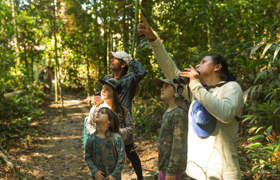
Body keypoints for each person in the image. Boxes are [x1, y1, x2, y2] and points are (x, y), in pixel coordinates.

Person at [138, 15, 244, 180]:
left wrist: (194, 83)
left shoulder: (231, 87)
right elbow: (171, 70)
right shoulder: (196, 90)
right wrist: (153, 40)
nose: (198, 65)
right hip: (196, 172)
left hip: (223, 173)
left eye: (203, 62)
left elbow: (225, 114)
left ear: (217, 67)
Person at [86, 78, 143, 180]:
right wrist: (96, 134)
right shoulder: (96, 109)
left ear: (115, 93)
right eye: (102, 88)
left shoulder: (122, 110)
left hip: (121, 143)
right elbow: (89, 124)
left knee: (130, 159)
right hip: (100, 145)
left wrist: (121, 132)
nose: (103, 91)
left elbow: (131, 127)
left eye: (107, 89)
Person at [154, 78, 188, 180]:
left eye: (166, 86)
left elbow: (178, 144)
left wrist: (172, 170)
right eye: (162, 87)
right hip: (164, 166)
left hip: (173, 170)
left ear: (176, 91)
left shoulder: (178, 113)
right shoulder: (168, 112)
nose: (162, 89)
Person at [85, 107, 125, 180]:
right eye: (98, 112)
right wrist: (95, 171)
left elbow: (121, 159)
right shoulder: (91, 139)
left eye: (102, 112)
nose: (97, 113)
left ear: (109, 121)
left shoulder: (116, 138)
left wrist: (114, 175)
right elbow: (87, 157)